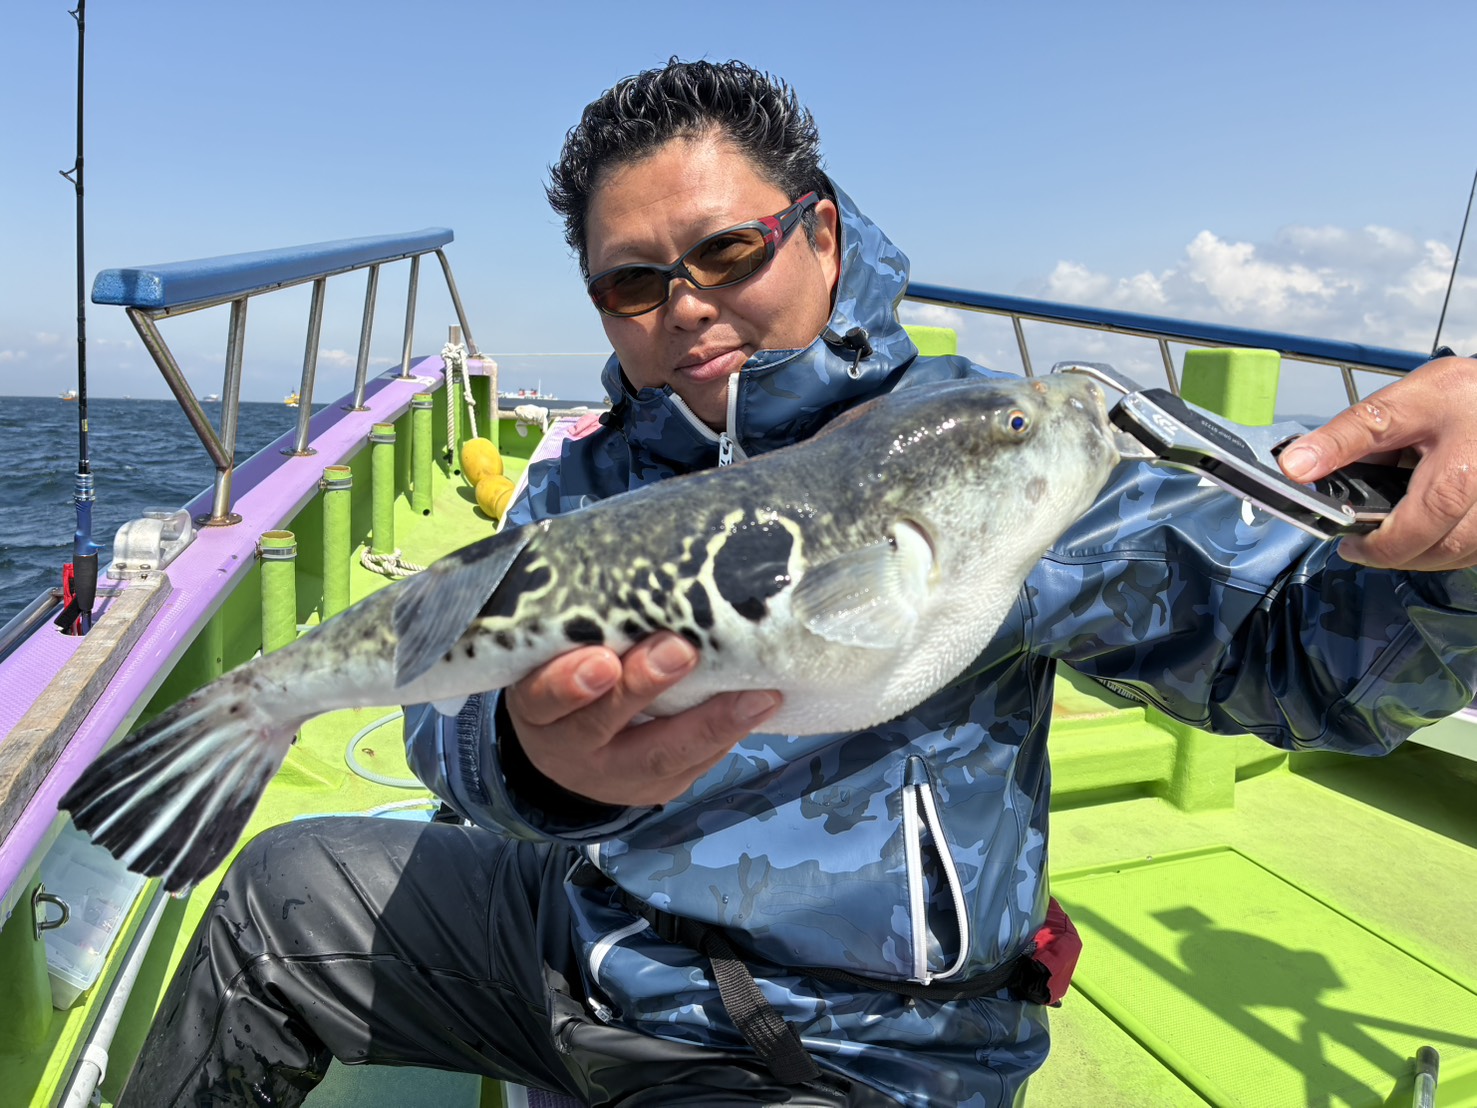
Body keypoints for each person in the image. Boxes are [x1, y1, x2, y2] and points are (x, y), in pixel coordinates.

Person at [118, 58, 1477, 1107]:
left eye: (727, 252)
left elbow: (1300, 662)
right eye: (632, 284)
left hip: (848, 1046)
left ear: (820, 234)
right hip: (579, 943)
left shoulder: (991, 450)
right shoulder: (586, 477)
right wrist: (535, 764)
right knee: (284, 894)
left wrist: (1456, 567)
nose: (684, 305)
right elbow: (450, 716)